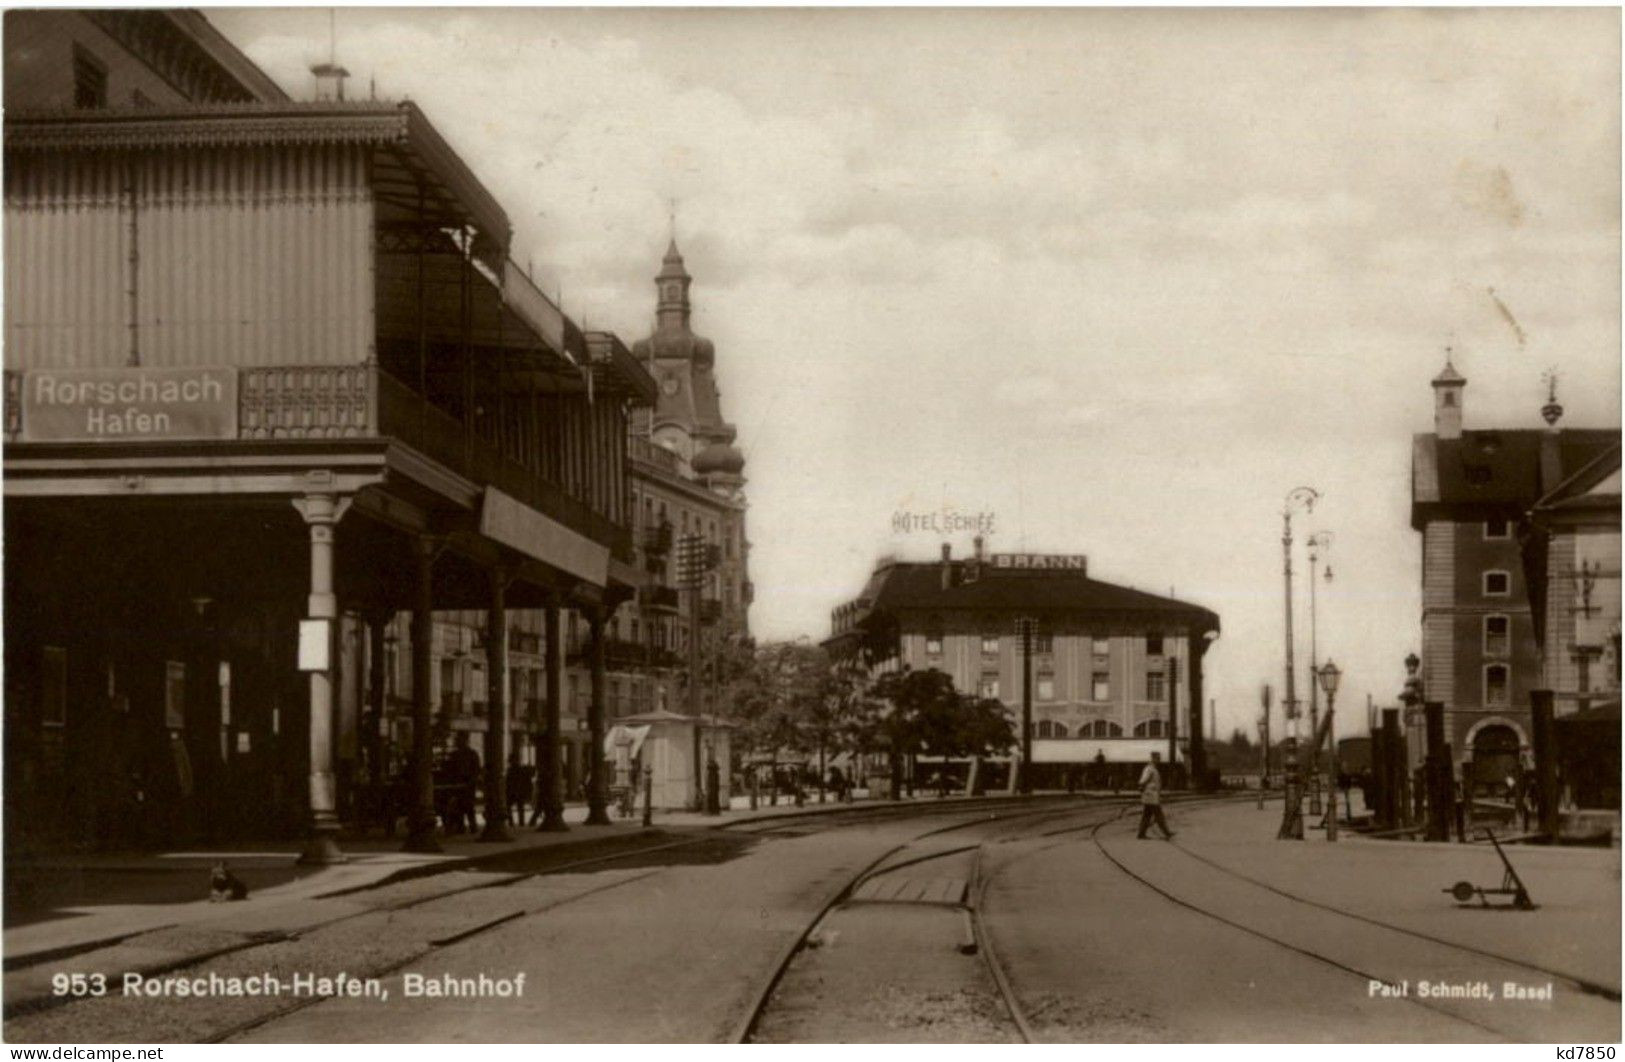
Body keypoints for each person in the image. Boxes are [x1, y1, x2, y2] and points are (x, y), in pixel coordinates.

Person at [447, 732, 481, 833]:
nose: (458, 742)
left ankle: (471, 826)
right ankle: (462, 826)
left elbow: (476, 769)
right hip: (458, 783)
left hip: (468, 783)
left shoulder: (471, 754)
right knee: (460, 806)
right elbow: (450, 769)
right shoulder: (455, 755)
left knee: (468, 806)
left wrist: (471, 781)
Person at [1136, 751, 1174, 840]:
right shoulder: (1149, 769)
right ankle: (1167, 832)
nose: (1159, 760)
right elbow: (1143, 780)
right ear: (1153, 758)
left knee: (1146, 815)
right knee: (1159, 815)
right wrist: (1141, 785)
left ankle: (1141, 834)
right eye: (1157, 758)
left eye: (1159, 758)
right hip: (1151, 795)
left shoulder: (1153, 768)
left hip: (1151, 795)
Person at [506, 750, 533, 827]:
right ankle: (521, 823)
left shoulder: (511, 770)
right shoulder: (522, 769)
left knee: (509, 807)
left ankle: (511, 822)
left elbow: (509, 782)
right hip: (520, 792)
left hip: (513, 791)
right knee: (520, 808)